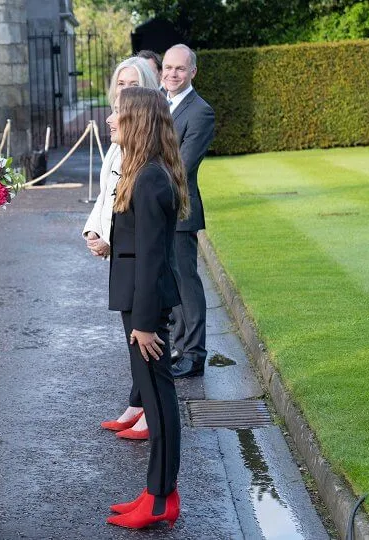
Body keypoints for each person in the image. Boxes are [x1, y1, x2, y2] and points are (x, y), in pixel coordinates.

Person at [105, 86, 188, 529]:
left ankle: (161, 498)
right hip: (137, 307)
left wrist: (145, 323)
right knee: (154, 403)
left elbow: (155, 259)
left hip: (145, 313)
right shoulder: (142, 172)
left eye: (118, 113)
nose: (110, 118)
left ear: (138, 121)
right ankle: (156, 491)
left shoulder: (152, 177)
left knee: (159, 402)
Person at [83, 57, 159, 441]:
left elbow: (132, 202)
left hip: (135, 248)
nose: (124, 89)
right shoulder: (118, 132)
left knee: (144, 329)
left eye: (133, 83)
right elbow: (105, 196)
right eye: (120, 82)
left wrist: (112, 239)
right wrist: (94, 233)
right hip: (120, 247)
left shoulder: (143, 136)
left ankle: (152, 409)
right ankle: (138, 401)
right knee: (131, 329)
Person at [161, 44, 215, 379]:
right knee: (170, 280)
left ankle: (195, 354)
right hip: (157, 209)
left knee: (187, 282)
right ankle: (179, 347)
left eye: (180, 68)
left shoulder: (200, 112)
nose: (172, 74)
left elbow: (181, 165)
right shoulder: (158, 103)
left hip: (180, 209)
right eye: (167, 67)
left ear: (192, 72)